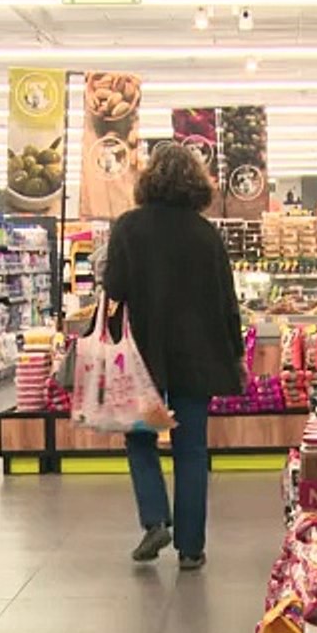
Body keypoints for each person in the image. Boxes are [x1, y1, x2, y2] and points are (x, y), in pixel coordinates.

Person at [103, 143, 244, 571]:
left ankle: (154, 519)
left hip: (143, 355)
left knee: (139, 437)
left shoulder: (128, 228)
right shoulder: (206, 234)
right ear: (195, 182)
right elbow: (227, 302)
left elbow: (114, 290)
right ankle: (191, 547)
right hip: (197, 356)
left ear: (149, 179)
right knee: (192, 448)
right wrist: (236, 353)